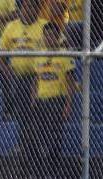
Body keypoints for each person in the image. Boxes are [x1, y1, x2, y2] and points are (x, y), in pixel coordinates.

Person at [33, 23, 77, 164]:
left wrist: (68, 105)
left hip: (57, 100)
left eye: (52, 35)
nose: (49, 38)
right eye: (46, 35)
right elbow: (35, 79)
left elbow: (71, 83)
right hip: (41, 101)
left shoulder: (64, 55)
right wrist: (33, 99)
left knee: (54, 136)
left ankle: (53, 167)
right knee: (39, 136)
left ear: (58, 37)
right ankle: (40, 169)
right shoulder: (39, 55)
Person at [0, 0, 47, 128]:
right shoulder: (11, 27)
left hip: (39, 78)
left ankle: (36, 145)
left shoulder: (45, 26)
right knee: (22, 115)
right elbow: (1, 55)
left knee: (37, 114)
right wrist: (7, 72)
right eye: (26, 7)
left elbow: (61, 44)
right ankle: (24, 145)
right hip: (18, 78)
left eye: (33, 7)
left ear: (38, 9)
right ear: (21, 9)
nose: (29, 10)